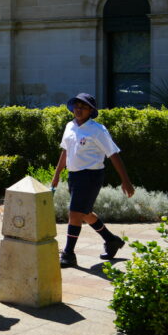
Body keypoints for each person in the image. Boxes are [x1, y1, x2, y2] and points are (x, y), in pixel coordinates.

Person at [50, 93, 135, 268]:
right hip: (74, 176)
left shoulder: (98, 130)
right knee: (84, 213)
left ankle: (68, 254)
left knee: (75, 213)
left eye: (84, 107)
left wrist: (125, 180)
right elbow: (65, 151)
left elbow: (113, 154)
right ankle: (111, 240)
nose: (79, 109)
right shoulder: (69, 126)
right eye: (77, 106)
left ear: (91, 111)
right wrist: (57, 174)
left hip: (90, 176)